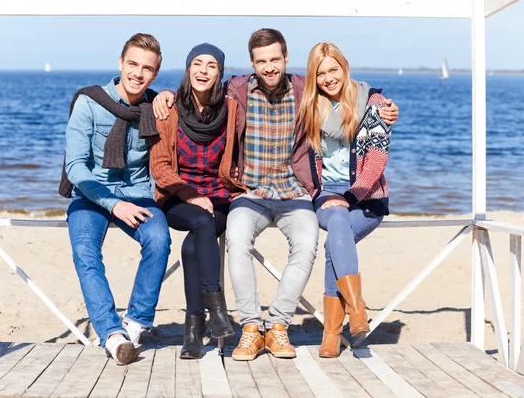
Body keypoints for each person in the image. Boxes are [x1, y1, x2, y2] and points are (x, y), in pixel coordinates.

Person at [152, 29, 398, 362]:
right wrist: (164, 94)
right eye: (261, 61)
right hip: (249, 192)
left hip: (294, 192)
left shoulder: (304, 90)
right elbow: (199, 86)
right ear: (252, 63)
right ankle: (252, 328)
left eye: (275, 59)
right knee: (237, 240)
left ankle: (279, 325)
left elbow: (351, 90)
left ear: (285, 58)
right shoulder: (236, 90)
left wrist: (382, 104)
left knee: (308, 242)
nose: (269, 67)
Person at [61, 33, 171, 366]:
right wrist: (112, 204)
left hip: (136, 193)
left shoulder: (155, 106)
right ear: (121, 63)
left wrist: (169, 95)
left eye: (147, 69)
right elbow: (75, 167)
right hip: (92, 193)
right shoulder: (89, 102)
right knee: (85, 250)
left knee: (159, 238)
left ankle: (135, 322)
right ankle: (112, 334)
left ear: (155, 73)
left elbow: (191, 109)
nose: (138, 73)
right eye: (133, 64)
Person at [297, 42, 393, 358]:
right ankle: (356, 311)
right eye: (321, 73)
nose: (328, 78)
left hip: (367, 196)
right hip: (326, 192)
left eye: (333, 69)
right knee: (337, 222)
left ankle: (332, 332)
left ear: (345, 66)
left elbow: (377, 160)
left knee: (335, 241)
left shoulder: (374, 104)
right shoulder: (310, 107)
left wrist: (351, 195)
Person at [150, 43, 245, 359]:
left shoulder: (231, 110)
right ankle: (217, 309)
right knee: (200, 221)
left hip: (218, 197)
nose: (203, 71)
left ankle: (193, 330)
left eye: (211, 66)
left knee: (193, 244)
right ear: (188, 68)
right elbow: (160, 166)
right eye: (197, 64)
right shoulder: (170, 109)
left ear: (220, 73)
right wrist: (189, 193)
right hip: (176, 197)